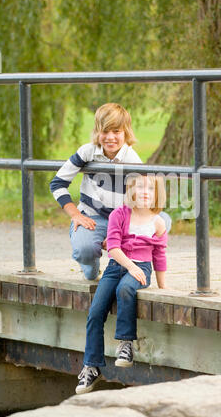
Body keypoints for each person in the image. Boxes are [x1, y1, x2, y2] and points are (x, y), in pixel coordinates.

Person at [50, 103, 171, 281]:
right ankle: (90, 268)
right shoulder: (87, 152)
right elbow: (58, 183)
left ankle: (131, 257)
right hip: (93, 217)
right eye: (105, 131)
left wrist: (120, 232)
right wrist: (75, 215)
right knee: (85, 251)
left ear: (126, 133)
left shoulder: (132, 161)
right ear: (97, 132)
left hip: (122, 218)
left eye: (116, 131)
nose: (110, 137)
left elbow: (140, 200)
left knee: (163, 220)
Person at [75, 174, 168, 395]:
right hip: (116, 266)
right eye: (140, 187)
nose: (145, 192)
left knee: (125, 289)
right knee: (96, 312)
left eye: (150, 189)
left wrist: (163, 287)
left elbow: (160, 254)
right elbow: (114, 248)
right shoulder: (120, 215)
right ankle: (91, 365)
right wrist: (130, 267)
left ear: (157, 194)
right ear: (132, 191)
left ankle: (125, 343)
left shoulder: (158, 221)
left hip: (142, 268)